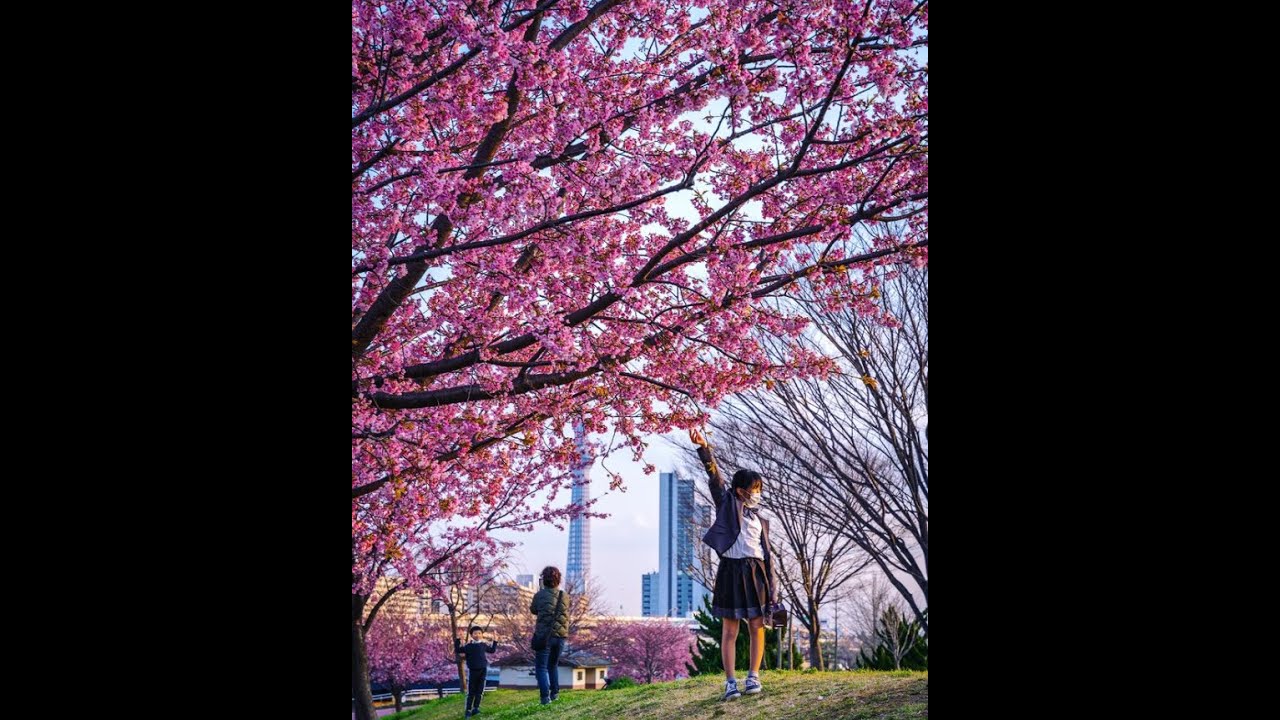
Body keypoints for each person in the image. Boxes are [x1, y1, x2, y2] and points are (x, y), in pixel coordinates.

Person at [690, 427, 780, 701]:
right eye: (754, 489)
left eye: (760, 490)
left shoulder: (760, 520)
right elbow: (715, 479)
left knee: (757, 626)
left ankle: (753, 677)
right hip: (731, 570)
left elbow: (767, 556)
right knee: (730, 629)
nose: (757, 494)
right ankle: (730, 682)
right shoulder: (727, 504)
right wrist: (705, 449)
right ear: (740, 490)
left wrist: (773, 588)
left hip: (756, 572)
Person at [529, 565, 570, 705]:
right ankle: (555, 694)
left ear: (543, 580)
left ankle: (545, 698)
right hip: (560, 636)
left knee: (541, 667)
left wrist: (541, 591)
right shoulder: (564, 595)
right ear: (558, 579)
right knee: (553, 665)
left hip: (544, 636)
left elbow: (534, 610)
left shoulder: (539, 595)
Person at [454, 625, 498, 717]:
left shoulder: (483, 645)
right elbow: (458, 650)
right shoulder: (468, 646)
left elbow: (492, 650)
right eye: (475, 633)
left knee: (480, 691)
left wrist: (495, 640)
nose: (477, 635)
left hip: (483, 670)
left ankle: (476, 708)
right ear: (471, 635)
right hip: (473, 671)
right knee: (471, 692)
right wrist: (459, 639)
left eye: (479, 633)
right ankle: (468, 710)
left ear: (482, 634)